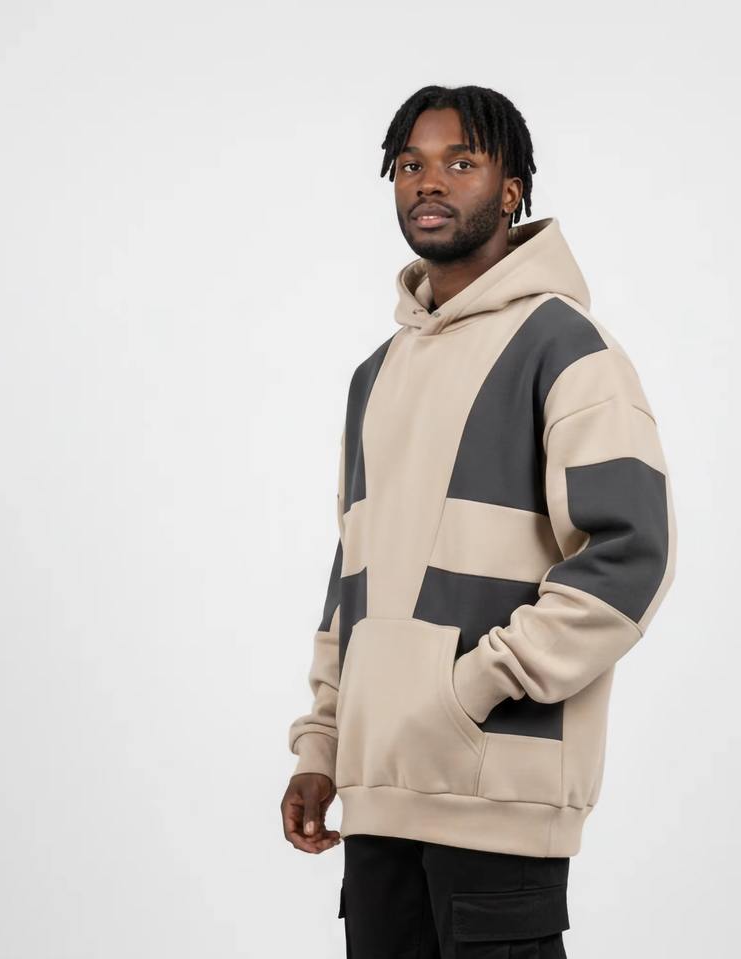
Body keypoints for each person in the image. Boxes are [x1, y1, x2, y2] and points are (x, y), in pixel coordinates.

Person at [280, 83, 677, 958]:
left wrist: (472, 690)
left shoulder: (566, 348)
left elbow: (631, 555)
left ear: (511, 190)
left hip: (499, 791)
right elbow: (352, 577)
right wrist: (322, 746)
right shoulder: (374, 374)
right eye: (410, 164)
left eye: (461, 162)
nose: (429, 181)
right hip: (379, 796)